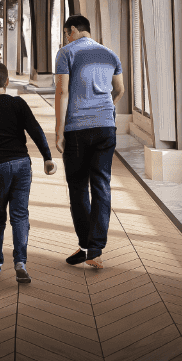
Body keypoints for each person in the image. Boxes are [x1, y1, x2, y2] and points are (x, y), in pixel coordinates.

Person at [0, 61, 57, 282]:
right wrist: (47, 157)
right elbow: (36, 130)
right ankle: (20, 261)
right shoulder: (18, 104)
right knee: (20, 215)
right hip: (21, 165)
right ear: (7, 81)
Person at [55, 14, 124, 269]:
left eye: (66, 33)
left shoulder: (66, 53)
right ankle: (93, 248)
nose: (66, 38)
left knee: (77, 187)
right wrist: (106, 110)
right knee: (101, 185)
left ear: (73, 30)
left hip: (77, 129)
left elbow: (62, 92)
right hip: (106, 127)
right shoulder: (110, 54)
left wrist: (59, 130)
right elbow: (120, 90)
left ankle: (87, 245)